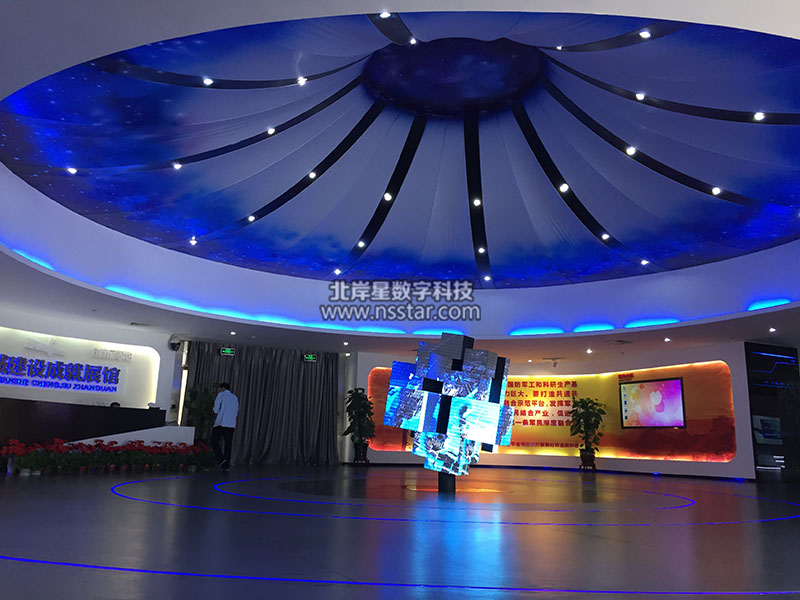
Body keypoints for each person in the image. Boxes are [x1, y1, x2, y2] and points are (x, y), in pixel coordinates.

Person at [211, 382, 239, 470]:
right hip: (231, 424)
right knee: (228, 445)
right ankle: (226, 465)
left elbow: (216, 410)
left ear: (222, 388)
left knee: (214, 442)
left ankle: (221, 459)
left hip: (221, 423)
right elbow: (236, 410)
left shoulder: (221, 395)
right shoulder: (235, 397)